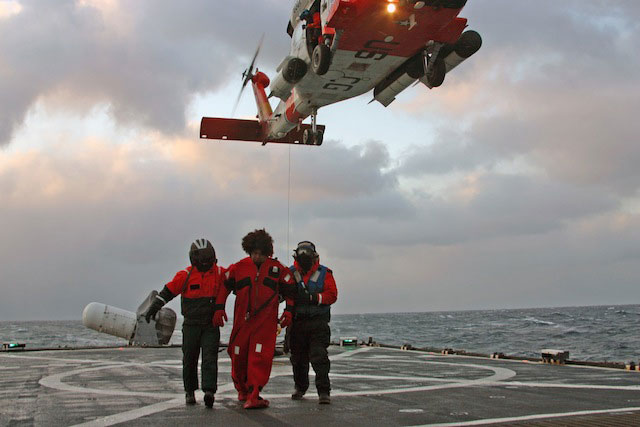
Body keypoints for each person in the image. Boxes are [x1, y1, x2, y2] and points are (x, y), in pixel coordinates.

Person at [213, 229, 296, 409]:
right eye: (254, 253)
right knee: (237, 354)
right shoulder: (238, 268)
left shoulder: (277, 270)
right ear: (249, 251)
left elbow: (290, 291)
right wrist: (219, 308)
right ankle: (242, 389)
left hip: (265, 324)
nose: (257, 257)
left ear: (268, 253)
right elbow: (224, 286)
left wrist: (288, 311)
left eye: (261, 254)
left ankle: (254, 392)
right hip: (242, 322)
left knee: (259, 357)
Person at [144, 238, 224, 408]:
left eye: (208, 260)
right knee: (189, 358)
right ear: (194, 260)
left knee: (210, 358)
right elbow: (167, 292)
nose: (206, 263)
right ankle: (190, 391)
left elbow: (236, 282)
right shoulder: (185, 276)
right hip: (191, 325)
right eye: (203, 260)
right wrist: (152, 309)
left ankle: (209, 391)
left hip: (210, 325)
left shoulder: (219, 274)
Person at [288, 241, 337, 404]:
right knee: (298, 358)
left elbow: (332, 295)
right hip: (297, 323)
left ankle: (324, 391)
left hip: (318, 322)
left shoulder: (325, 273)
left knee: (319, 356)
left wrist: (314, 298)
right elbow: (282, 292)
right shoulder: (290, 273)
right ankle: (300, 387)